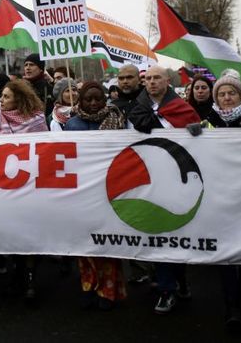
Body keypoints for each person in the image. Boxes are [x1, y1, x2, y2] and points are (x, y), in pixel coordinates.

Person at [187, 73, 241, 333]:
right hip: (220, 196)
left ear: (240, 96)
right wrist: (192, 134)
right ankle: (231, 305)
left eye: (231, 93)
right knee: (224, 252)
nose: (226, 98)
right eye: (221, 94)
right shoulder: (208, 122)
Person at [127, 66, 199, 314]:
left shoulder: (183, 108)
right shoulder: (138, 107)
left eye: (157, 78)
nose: (152, 82)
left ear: (168, 81)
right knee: (158, 234)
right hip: (149, 179)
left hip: (178, 176)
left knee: (178, 234)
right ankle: (166, 290)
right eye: (148, 79)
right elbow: (138, 126)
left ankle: (180, 280)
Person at [65, 81, 127, 310]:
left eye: (97, 99)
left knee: (108, 242)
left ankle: (108, 290)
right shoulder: (71, 125)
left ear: (105, 100)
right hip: (81, 192)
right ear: (80, 101)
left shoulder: (118, 122)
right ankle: (88, 286)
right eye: (87, 99)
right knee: (85, 243)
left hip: (109, 191)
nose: (93, 104)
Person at [0, 80, 48, 296]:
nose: (1, 101)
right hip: (6, 185)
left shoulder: (37, 120)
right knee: (12, 232)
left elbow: (45, 151)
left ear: (19, 99)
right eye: (1, 96)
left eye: (6, 97)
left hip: (30, 184)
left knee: (29, 232)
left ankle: (30, 277)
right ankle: (17, 271)